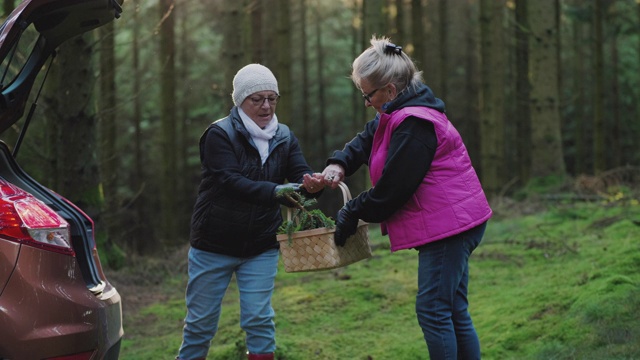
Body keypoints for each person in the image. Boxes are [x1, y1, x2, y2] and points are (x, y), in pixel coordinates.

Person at [303, 36, 492, 359]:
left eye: (368, 95)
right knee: (452, 309)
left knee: (433, 311)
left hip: (450, 228)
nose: (366, 102)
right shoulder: (401, 107)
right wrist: (339, 163)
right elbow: (368, 138)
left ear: (389, 89)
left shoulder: (416, 123)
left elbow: (392, 192)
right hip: (455, 221)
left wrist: (351, 211)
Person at [177, 63, 320, 360]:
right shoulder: (219, 134)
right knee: (200, 325)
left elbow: (299, 174)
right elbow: (230, 181)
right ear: (240, 100)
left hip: (261, 244)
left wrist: (313, 183)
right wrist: (274, 191)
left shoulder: (285, 136)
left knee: (259, 319)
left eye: (272, 98)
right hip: (213, 243)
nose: (266, 106)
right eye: (257, 99)